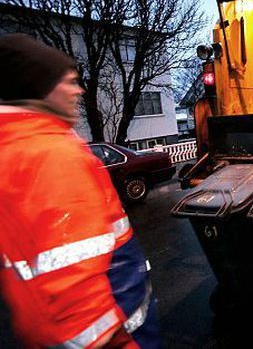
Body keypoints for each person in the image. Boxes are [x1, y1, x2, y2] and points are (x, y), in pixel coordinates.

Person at [0, 34, 160, 348]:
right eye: (69, 81)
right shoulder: (51, 154)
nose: (79, 90)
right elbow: (72, 285)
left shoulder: (14, 149)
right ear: (41, 87)